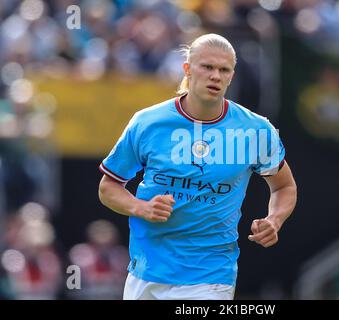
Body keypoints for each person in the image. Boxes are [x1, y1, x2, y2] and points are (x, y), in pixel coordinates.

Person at [98, 33, 297, 300]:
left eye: (223, 70)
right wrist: (140, 207)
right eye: (208, 67)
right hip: (147, 272)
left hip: (211, 276)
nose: (215, 76)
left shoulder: (256, 130)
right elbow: (108, 186)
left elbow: (284, 186)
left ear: (231, 76)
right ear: (188, 70)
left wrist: (275, 219)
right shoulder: (147, 123)